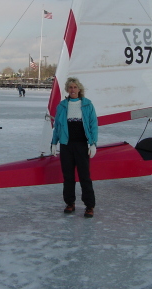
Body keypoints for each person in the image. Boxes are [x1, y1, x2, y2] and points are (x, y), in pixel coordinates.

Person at [51, 77, 98, 218]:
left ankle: (89, 206)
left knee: (85, 176)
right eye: (70, 87)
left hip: (82, 145)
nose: (73, 90)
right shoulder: (62, 106)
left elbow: (93, 125)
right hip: (66, 145)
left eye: (75, 87)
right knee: (68, 177)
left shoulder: (87, 105)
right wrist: (54, 143)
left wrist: (93, 143)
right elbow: (57, 127)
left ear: (79, 89)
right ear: (67, 89)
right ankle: (70, 203)